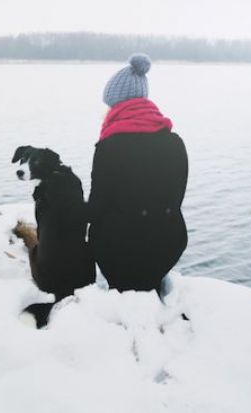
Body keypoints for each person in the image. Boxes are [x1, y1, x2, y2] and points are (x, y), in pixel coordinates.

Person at [88, 53, 188, 295]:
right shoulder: (175, 142)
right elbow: (175, 200)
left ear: (117, 105)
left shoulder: (109, 147)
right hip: (168, 245)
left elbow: (96, 208)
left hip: (121, 252)